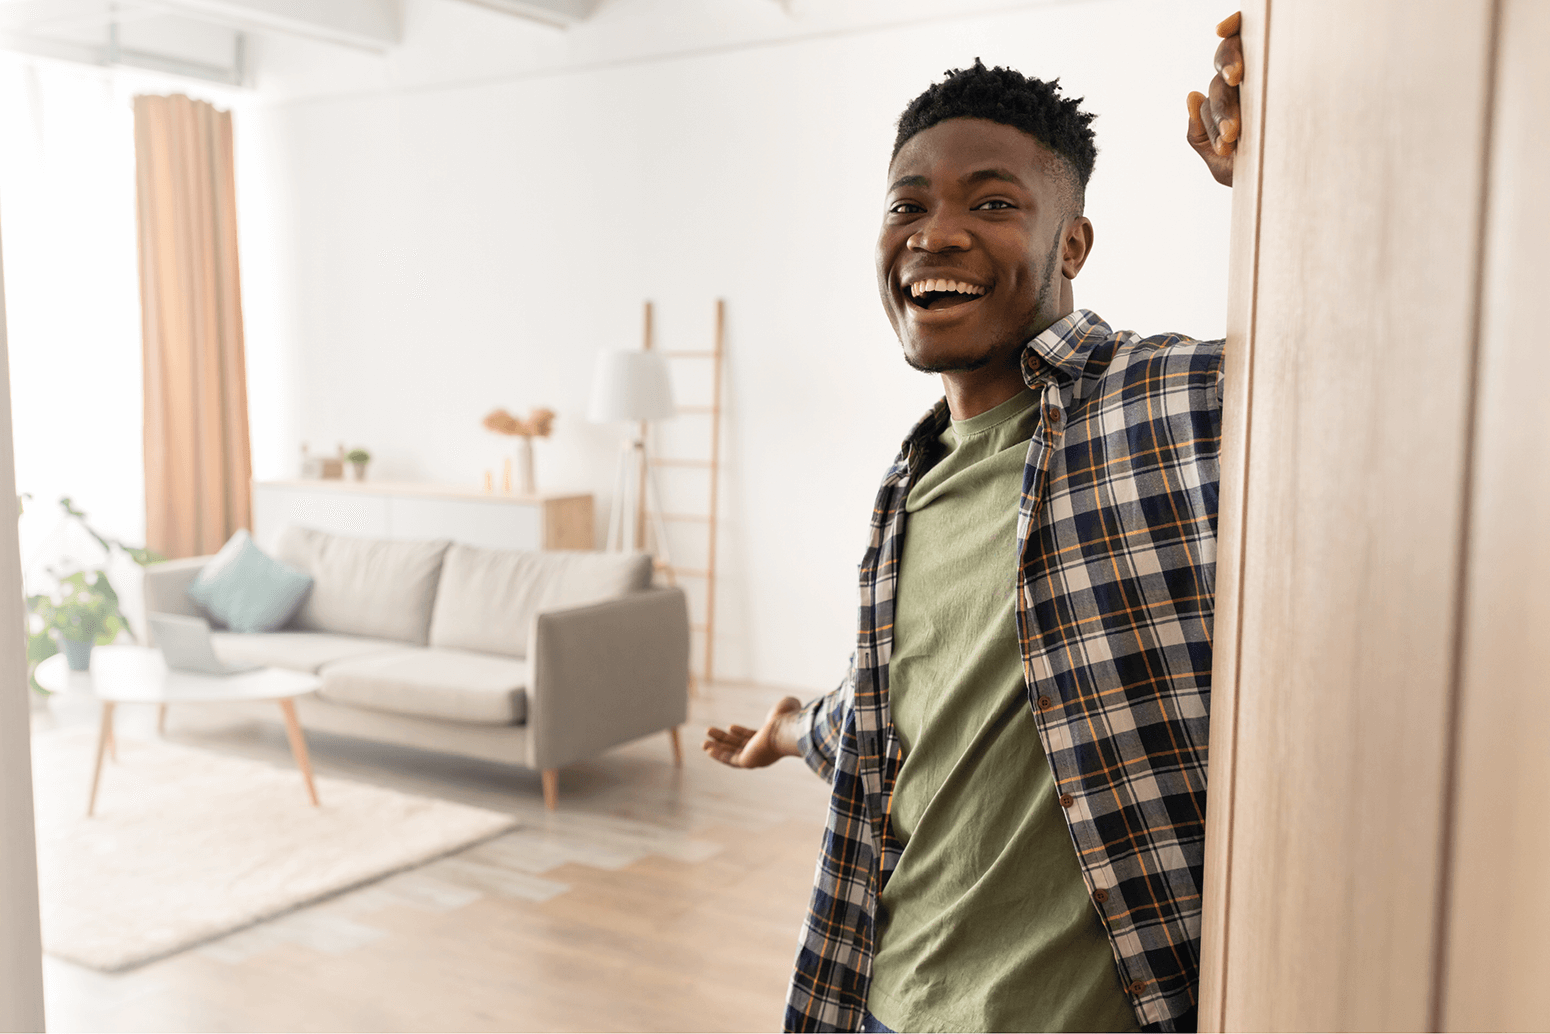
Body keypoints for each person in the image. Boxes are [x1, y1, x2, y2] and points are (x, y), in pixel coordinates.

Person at [704, 13, 1246, 1034]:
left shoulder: (1173, 399)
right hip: (884, 1004)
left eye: (990, 201)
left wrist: (1284, 184)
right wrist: (788, 730)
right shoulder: (904, 491)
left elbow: (1380, 370)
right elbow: (913, 700)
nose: (935, 231)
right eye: (907, 202)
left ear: (1070, 240)